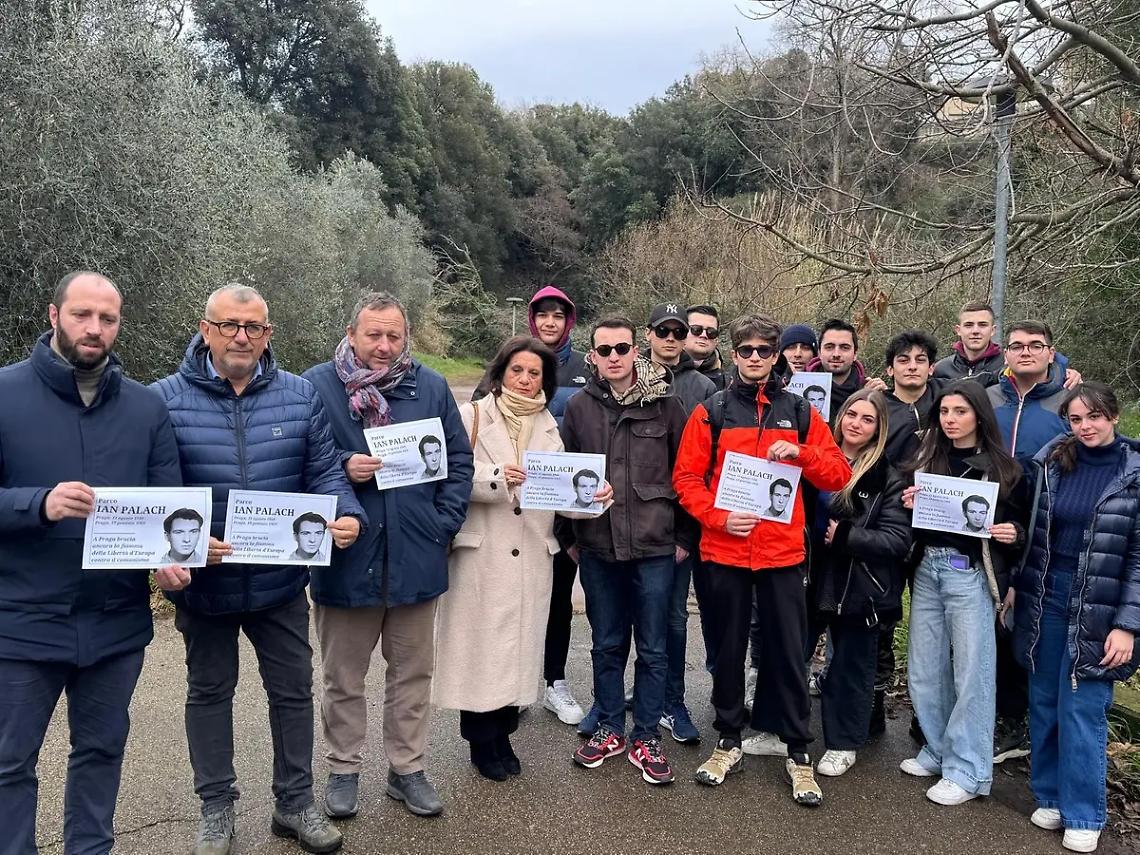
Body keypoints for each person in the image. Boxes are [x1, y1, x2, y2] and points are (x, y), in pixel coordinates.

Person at [154, 283, 366, 855]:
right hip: (207, 589)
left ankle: (294, 802)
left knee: (293, 693)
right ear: (206, 330)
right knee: (208, 694)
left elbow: (324, 472)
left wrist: (346, 513)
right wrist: (179, 552)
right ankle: (216, 809)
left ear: (269, 334)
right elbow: (154, 493)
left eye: (253, 327)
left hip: (280, 585)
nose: (241, 336)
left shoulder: (300, 397)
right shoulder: (165, 400)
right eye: (229, 325)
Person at [0, 271, 187, 855]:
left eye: (107, 318)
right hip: (22, 621)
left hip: (114, 624)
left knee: (102, 753)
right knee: (9, 763)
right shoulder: (4, 393)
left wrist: (170, 563)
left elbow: (168, 506)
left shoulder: (146, 407)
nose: (94, 328)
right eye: (82, 314)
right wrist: (39, 503)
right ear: (54, 316)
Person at [303, 291, 472, 821]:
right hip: (347, 558)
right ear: (351, 333)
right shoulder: (315, 386)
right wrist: (341, 467)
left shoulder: (431, 387)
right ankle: (344, 770)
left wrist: (441, 527)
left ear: (407, 337)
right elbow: (298, 461)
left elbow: (458, 463)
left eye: (393, 336)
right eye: (372, 334)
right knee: (342, 678)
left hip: (417, 558)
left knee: (412, 675)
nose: (382, 346)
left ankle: (407, 768)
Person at [674, 313, 851, 806]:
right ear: (734, 355)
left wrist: (799, 454)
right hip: (724, 551)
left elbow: (837, 472)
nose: (755, 358)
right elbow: (686, 480)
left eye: (764, 351)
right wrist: (716, 518)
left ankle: (798, 750)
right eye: (746, 350)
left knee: (787, 653)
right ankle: (728, 739)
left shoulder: (799, 411)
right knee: (726, 652)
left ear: (777, 356)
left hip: (781, 554)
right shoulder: (710, 411)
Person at [434, 337, 611, 781]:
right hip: (482, 553)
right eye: (518, 371)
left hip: (532, 553)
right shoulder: (471, 415)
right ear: (500, 373)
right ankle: (481, 741)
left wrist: (594, 497)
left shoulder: (550, 425)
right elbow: (446, 474)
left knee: (517, 651)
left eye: (535, 374)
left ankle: (505, 734)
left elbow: (562, 492)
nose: (526, 379)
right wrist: (495, 477)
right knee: (482, 653)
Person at [561, 316, 696, 786]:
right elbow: (562, 476)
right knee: (606, 643)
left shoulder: (668, 406)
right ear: (593, 355)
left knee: (655, 648)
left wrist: (684, 539)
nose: (614, 356)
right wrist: (569, 540)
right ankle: (610, 728)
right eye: (604, 350)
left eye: (622, 347)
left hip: (657, 548)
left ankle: (647, 736)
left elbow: (688, 475)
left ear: (636, 350)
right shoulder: (579, 407)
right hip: (598, 547)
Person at [1013, 382, 1140, 854]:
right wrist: (1015, 587)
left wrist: (1127, 624)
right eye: (1076, 419)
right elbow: (1034, 534)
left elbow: (1138, 559)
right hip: (1047, 592)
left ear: (1114, 416)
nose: (1085, 427)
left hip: (1101, 602)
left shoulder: (1133, 473)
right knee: (1044, 697)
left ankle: (1084, 810)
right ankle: (1049, 793)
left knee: (1083, 705)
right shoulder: (1051, 465)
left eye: (1095, 417)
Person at [900, 380, 1025, 806]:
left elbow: (1025, 528)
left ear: (978, 415)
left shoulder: (1003, 468)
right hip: (927, 571)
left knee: (972, 673)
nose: (951, 420)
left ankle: (968, 770)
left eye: (960, 411)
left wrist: (1015, 533)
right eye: (945, 412)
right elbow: (911, 523)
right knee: (924, 667)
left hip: (969, 574)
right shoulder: (925, 458)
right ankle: (938, 749)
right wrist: (909, 502)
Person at [808, 389, 911, 778]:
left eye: (868, 420)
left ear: (879, 429)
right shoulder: (817, 458)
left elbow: (898, 540)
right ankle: (777, 728)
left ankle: (843, 743)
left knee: (851, 664)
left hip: (858, 581)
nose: (856, 424)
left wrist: (849, 537)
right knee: (788, 651)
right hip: (810, 571)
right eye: (852, 414)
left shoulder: (888, 476)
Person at [986, 320, 1074, 763]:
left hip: (1047, 528)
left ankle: (1025, 723)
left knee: (1028, 624)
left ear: (1051, 352)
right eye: (1016, 346)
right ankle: (1001, 715)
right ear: (1005, 355)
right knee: (995, 623)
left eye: (1034, 346)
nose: (1024, 352)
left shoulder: (1068, 401)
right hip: (992, 526)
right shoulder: (989, 398)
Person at [521, 286, 590, 728]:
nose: (550, 322)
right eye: (542, 315)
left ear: (569, 321)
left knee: (559, 598)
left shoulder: (586, 366)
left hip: (564, 506)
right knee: (518, 596)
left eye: (558, 316)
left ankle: (553, 682)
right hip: (519, 505)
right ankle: (514, 686)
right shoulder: (514, 360)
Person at [805, 319, 887, 424]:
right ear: (819, 352)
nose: (836, 354)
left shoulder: (870, 390)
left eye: (844, 348)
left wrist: (888, 400)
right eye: (829, 347)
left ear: (855, 354)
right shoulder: (799, 388)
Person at [644, 302, 716, 411]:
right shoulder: (630, 377)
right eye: (662, 331)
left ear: (685, 338)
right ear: (648, 333)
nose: (670, 338)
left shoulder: (704, 387)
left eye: (679, 332)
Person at [933, 302, 1006, 386]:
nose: (975, 331)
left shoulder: (1005, 365)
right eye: (968, 325)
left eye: (982, 325)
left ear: (993, 330)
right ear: (958, 330)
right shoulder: (941, 369)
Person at [685, 304, 727, 390]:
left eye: (711, 332)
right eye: (696, 329)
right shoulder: (663, 375)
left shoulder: (729, 384)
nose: (704, 335)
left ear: (717, 339)